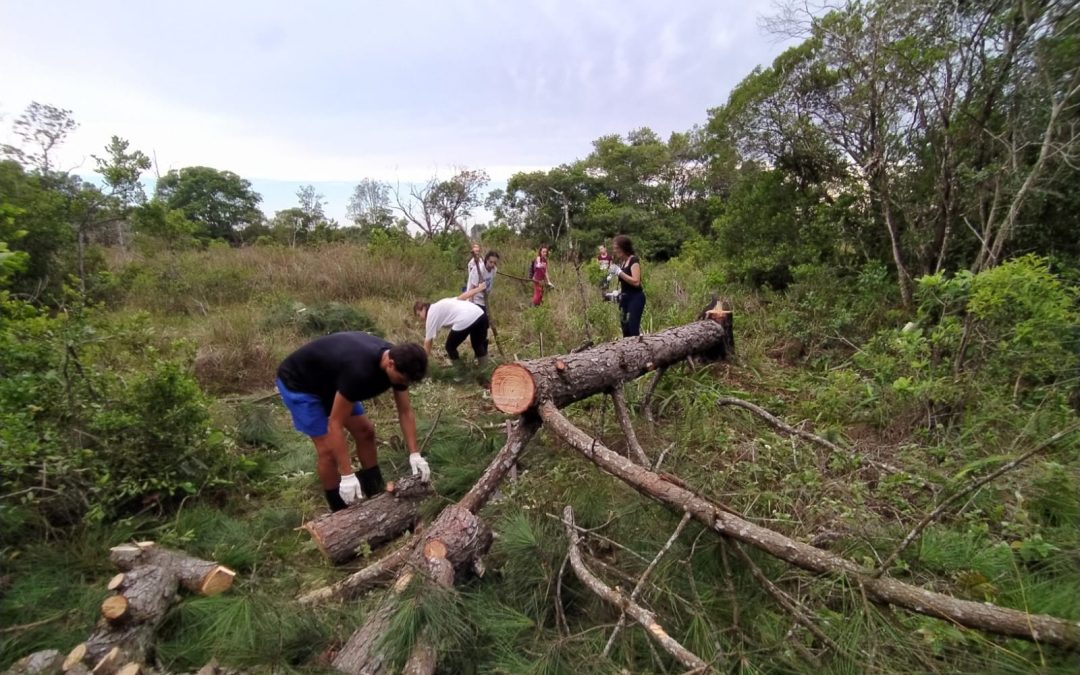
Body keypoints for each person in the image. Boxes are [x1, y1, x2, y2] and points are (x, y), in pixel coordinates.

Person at [275, 333, 429, 512]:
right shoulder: (360, 372)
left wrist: (414, 453)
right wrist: (347, 474)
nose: (403, 384)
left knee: (365, 432)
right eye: (402, 380)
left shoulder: (402, 362)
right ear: (390, 363)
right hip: (300, 384)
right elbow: (335, 424)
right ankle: (338, 508)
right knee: (328, 451)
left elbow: (405, 411)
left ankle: (374, 489)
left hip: (334, 381)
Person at [414, 285, 490, 366]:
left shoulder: (431, 314)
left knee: (450, 347)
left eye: (419, 315)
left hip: (465, 319)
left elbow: (428, 342)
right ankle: (485, 369)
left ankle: (460, 371)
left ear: (422, 308)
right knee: (478, 344)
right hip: (480, 314)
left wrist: (423, 362)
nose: (420, 319)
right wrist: (479, 289)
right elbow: (463, 296)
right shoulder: (441, 303)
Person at [609, 234, 645, 337]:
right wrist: (617, 292)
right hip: (624, 299)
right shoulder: (623, 262)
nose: (615, 251)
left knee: (633, 328)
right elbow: (626, 284)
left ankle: (639, 350)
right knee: (625, 330)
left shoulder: (633, 260)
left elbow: (636, 282)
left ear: (623, 247)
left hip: (636, 298)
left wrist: (620, 273)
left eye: (616, 248)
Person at [467, 250, 499, 314]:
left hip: (484, 299)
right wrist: (471, 306)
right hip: (475, 300)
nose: (492, 265)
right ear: (486, 260)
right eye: (491, 262)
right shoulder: (479, 270)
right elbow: (471, 289)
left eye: (495, 263)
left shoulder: (494, 269)